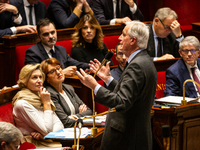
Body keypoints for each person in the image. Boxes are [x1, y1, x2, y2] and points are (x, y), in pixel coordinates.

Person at [76, 21, 157, 150]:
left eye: (123, 34)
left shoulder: (136, 65)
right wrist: (108, 79)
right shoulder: (144, 60)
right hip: (135, 134)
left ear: (132, 40)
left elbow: (121, 102)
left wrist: (95, 86)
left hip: (127, 138)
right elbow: (130, 95)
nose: (119, 38)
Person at [12, 64, 64, 148]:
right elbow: (48, 131)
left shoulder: (40, 97)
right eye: (34, 78)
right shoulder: (22, 104)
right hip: (33, 145)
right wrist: (47, 104)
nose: (39, 80)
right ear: (24, 81)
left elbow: (60, 125)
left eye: (40, 77)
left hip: (46, 141)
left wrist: (44, 136)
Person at [25, 18, 89, 76]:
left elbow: (77, 64)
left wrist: (93, 66)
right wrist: (61, 72)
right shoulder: (33, 53)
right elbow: (36, 76)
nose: (51, 36)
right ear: (39, 37)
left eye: (52, 32)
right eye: (46, 34)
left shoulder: (61, 49)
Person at [40, 58, 92, 128]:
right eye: (52, 71)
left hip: (78, 128)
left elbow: (89, 111)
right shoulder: (50, 94)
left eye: (58, 68)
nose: (58, 72)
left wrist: (73, 117)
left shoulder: (68, 88)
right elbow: (65, 122)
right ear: (46, 78)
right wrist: (81, 115)